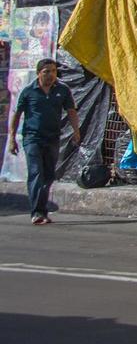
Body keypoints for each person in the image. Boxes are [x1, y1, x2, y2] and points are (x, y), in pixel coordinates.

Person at [7, 58, 80, 225]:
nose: (50, 75)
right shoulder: (28, 92)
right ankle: (37, 212)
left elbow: (71, 111)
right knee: (36, 173)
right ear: (39, 73)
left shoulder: (62, 90)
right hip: (32, 138)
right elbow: (17, 115)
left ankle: (42, 209)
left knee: (48, 175)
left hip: (53, 138)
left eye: (53, 71)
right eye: (47, 71)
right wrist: (12, 138)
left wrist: (76, 132)